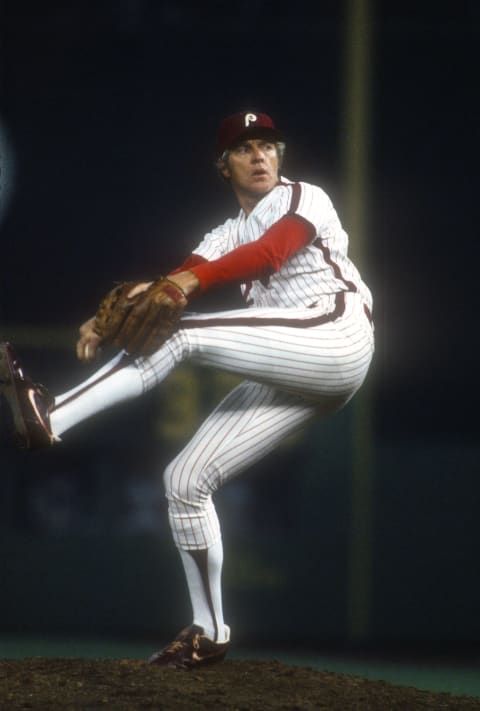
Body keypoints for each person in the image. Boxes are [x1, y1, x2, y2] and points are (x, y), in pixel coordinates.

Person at [0, 110, 374, 669]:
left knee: (181, 332)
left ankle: (50, 417)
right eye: (245, 149)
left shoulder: (304, 198)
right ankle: (209, 631)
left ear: (280, 156)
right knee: (185, 480)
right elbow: (173, 280)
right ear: (223, 165)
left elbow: (267, 255)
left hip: (336, 335)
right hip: (295, 372)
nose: (259, 157)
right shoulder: (223, 234)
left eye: (268, 146)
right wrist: (103, 322)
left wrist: (181, 284)